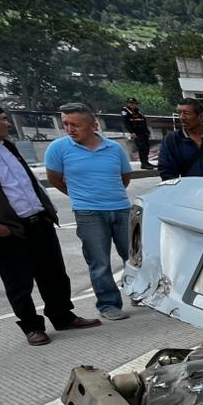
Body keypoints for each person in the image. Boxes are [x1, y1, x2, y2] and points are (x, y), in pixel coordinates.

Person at [0, 97, 101, 345]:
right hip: (7, 230)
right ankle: (31, 326)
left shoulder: (7, 146)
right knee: (18, 282)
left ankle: (62, 316)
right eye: (3, 119)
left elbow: (27, 180)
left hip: (38, 221)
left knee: (55, 274)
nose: (8, 123)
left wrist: (45, 207)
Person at [44, 102, 132, 321]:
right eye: (66, 124)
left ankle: (139, 292)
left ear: (93, 126)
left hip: (121, 209)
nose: (70, 129)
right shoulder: (59, 149)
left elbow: (124, 178)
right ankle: (109, 303)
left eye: (75, 124)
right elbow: (55, 179)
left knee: (133, 257)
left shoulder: (114, 148)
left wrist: (110, 196)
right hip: (88, 213)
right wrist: (82, 197)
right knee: (99, 261)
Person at [120, 96, 153, 169]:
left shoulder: (138, 111)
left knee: (146, 147)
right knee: (142, 148)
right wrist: (131, 132)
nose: (132, 104)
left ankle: (146, 162)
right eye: (130, 103)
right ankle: (143, 164)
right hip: (136, 133)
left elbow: (143, 121)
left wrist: (147, 131)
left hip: (143, 132)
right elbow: (126, 122)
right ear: (128, 103)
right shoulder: (125, 111)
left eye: (134, 103)